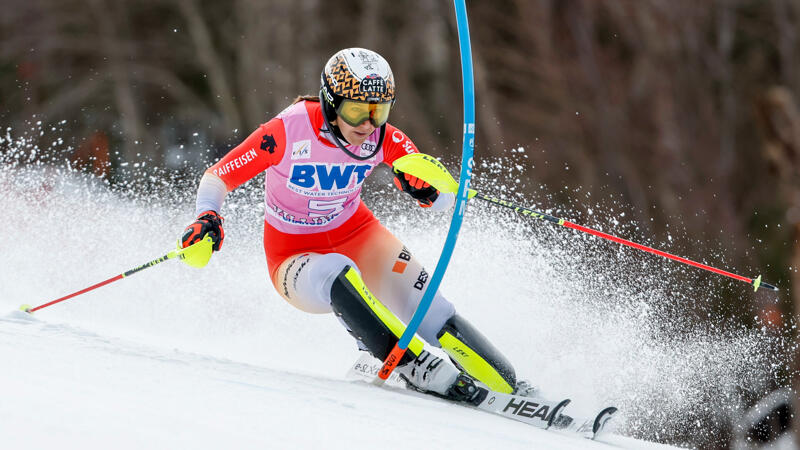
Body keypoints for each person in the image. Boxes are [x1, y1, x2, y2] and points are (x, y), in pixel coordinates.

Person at [181, 48, 529, 403]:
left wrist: (427, 190)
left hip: (357, 233)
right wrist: (207, 216)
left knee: (428, 305)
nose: (367, 124)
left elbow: (438, 197)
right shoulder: (289, 129)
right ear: (331, 103)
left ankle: (509, 384)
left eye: (380, 111)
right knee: (337, 271)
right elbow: (218, 176)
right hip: (293, 255)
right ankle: (411, 364)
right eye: (356, 111)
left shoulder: (383, 136)